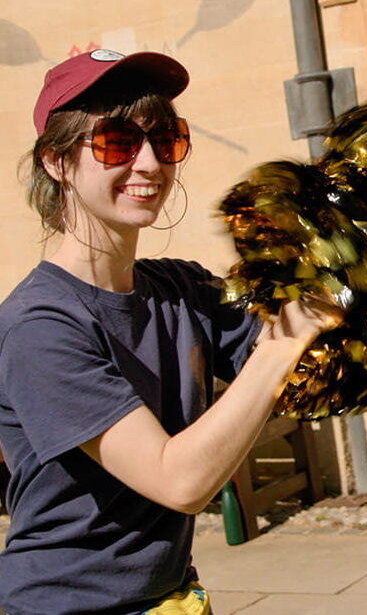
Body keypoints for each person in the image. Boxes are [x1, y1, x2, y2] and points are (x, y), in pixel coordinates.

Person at [0, 49, 338, 614]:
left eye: (166, 139)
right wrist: (283, 343)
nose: (151, 163)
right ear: (56, 162)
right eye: (117, 142)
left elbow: (321, 364)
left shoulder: (181, 289)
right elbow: (178, 481)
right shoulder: (41, 327)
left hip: (170, 597)